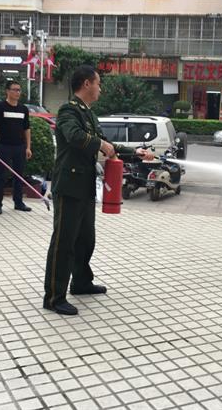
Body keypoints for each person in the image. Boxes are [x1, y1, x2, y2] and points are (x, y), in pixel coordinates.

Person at [43, 66, 155, 316]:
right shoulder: (69, 110)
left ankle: (81, 282)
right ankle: (53, 297)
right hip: (69, 186)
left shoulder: (90, 114)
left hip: (85, 186)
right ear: (86, 84)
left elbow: (108, 146)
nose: (100, 88)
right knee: (63, 242)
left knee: (85, 239)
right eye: (98, 83)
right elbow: (74, 137)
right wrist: (101, 144)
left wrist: (135, 152)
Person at [0, 81, 32, 214]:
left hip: (20, 147)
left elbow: (27, 129)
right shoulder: (0, 107)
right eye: (15, 90)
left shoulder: (23, 109)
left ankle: (18, 202)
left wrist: (28, 147)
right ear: (7, 91)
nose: (17, 92)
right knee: (0, 176)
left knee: (19, 176)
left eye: (19, 90)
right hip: (4, 146)